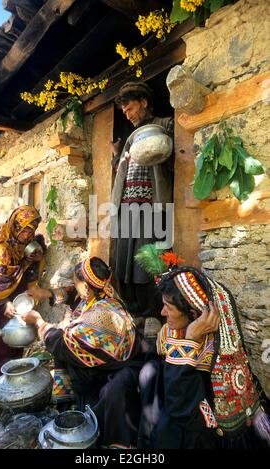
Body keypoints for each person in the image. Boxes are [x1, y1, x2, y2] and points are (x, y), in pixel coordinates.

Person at [135, 250, 270, 449]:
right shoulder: (170, 332)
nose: (162, 312)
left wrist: (190, 338)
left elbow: (181, 406)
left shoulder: (212, 358)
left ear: (194, 314)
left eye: (168, 307)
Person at [23, 256, 149, 448]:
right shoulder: (105, 293)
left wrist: (39, 323)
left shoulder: (99, 320)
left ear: (87, 287)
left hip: (107, 373)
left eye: (76, 281)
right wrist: (46, 293)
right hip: (119, 360)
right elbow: (71, 293)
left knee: (64, 348)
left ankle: (79, 407)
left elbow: (63, 345)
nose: (73, 286)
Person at [110, 81, 174, 338]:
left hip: (152, 207)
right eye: (124, 112)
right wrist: (117, 155)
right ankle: (134, 311)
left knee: (149, 261)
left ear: (144, 102)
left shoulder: (165, 124)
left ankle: (152, 315)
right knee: (123, 261)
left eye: (130, 108)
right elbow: (123, 172)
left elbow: (175, 157)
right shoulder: (130, 140)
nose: (128, 114)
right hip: (127, 208)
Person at [0, 205, 44, 383]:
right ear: (16, 226)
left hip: (14, 296)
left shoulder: (24, 245)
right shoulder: (2, 248)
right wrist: (4, 302)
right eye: (24, 230)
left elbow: (22, 268)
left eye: (32, 230)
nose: (27, 235)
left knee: (17, 333)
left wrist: (34, 259)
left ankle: (16, 373)